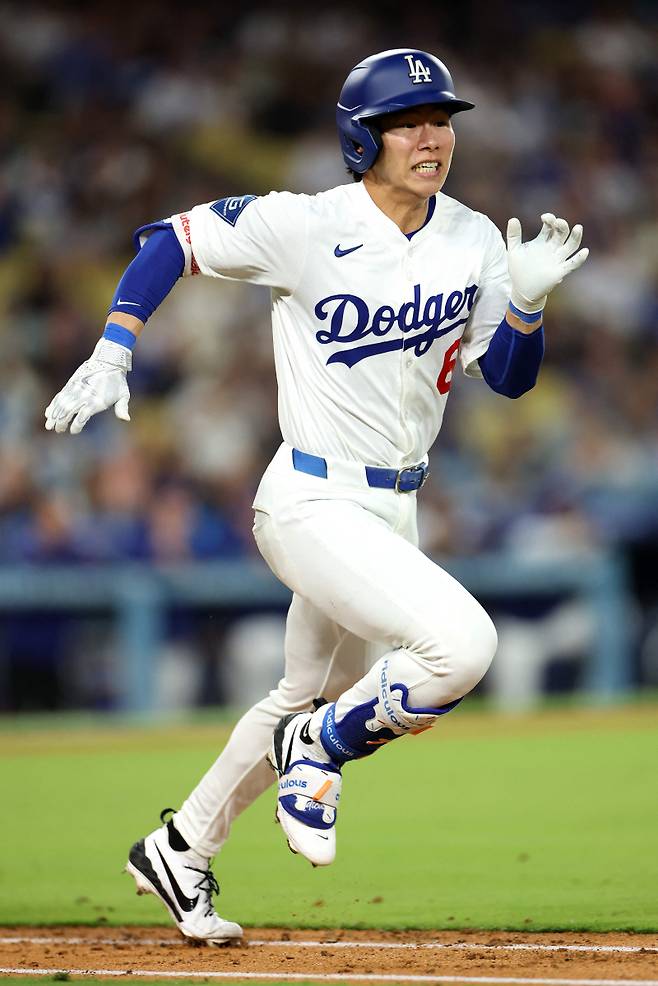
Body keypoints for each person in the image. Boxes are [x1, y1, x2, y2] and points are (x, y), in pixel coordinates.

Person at [45, 48, 589, 946]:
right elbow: (167, 241)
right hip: (309, 499)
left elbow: (510, 379)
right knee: (460, 648)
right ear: (360, 137)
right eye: (409, 122)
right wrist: (115, 347)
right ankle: (320, 754)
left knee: (308, 690)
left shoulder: (474, 235)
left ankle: (181, 846)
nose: (432, 137)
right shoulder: (304, 224)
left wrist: (525, 309)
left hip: (392, 509)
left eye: (442, 120)